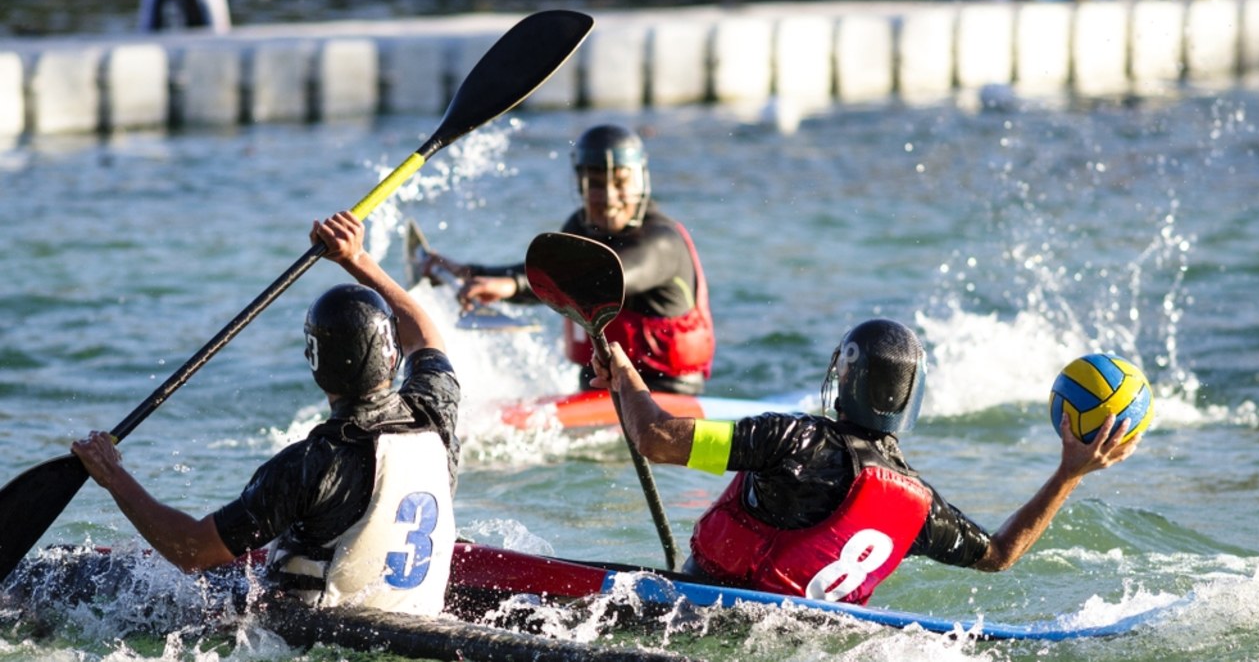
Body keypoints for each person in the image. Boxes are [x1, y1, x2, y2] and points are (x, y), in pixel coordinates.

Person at [589, 318, 1142, 605]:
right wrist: (1070, 472)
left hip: (696, 618)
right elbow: (999, 555)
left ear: (846, 377)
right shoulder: (918, 504)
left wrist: (624, 373)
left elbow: (657, 438)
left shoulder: (791, 440)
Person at [71, 210, 460, 616]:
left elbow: (192, 551)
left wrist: (112, 475)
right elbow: (425, 336)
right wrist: (356, 258)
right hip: (415, 619)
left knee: (84, 577)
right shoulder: (434, 410)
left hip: (310, 639)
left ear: (315, 363)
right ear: (392, 354)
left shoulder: (314, 463)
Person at [419, 124, 715, 395]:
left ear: (640, 180)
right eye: (596, 185)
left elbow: (602, 279)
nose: (609, 198)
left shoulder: (662, 242)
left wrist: (512, 284)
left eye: (621, 183)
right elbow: (548, 277)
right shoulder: (581, 227)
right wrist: (470, 273)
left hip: (664, 393)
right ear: (581, 185)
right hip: (593, 386)